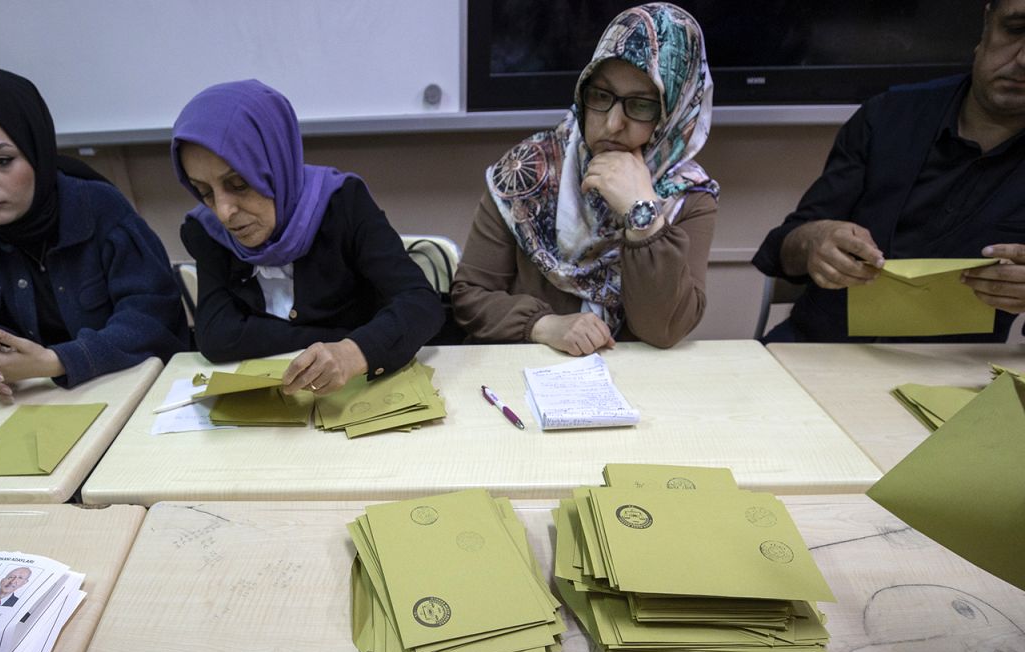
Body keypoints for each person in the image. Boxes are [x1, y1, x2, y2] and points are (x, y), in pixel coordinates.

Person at [451, 3, 718, 354]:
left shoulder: (688, 196)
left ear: (674, 114)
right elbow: (470, 297)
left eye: (639, 105)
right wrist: (543, 326)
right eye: (601, 96)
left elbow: (663, 330)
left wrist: (643, 214)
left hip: (634, 385)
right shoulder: (528, 170)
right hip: (527, 371)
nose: (611, 124)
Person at [753, 0, 1025, 342]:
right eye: (1015, 30)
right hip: (820, 347)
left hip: (956, 374)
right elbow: (784, 250)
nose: (1023, 60)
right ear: (986, 26)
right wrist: (814, 242)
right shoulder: (888, 115)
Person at [0, 67, 189, 401]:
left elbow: (151, 321)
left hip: (130, 394)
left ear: (36, 150)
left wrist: (57, 361)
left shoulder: (100, 209)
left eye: (2, 160)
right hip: (30, 401)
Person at [172, 79, 444, 396]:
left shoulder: (344, 204)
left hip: (359, 394)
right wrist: (342, 337)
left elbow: (421, 303)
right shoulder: (206, 230)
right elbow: (217, 336)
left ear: (276, 164)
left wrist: (353, 352)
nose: (222, 212)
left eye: (239, 184)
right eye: (203, 192)